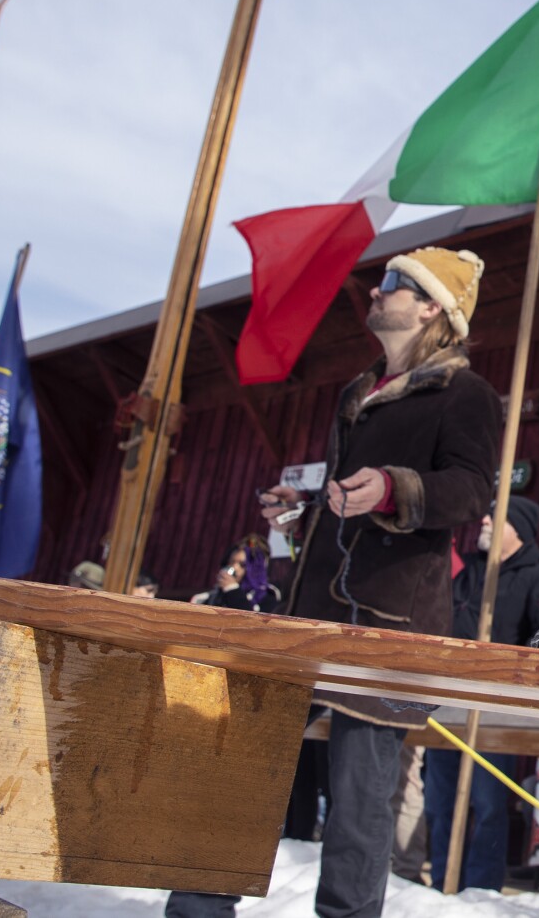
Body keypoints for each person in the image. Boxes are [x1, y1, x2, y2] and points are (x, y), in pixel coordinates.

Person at [166, 247, 501, 918]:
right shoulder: (358, 391)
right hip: (312, 611)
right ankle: (197, 910)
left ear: (431, 306)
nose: (377, 292)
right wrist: (307, 505)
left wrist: (390, 488)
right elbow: (348, 494)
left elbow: (469, 492)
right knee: (243, 768)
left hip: (390, 623)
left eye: (394, 284)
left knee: (358, 801)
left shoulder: (468, 395)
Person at [422, 494, 539, 891]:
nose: (484, 522)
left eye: (495, 517)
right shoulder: (470, 572)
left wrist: (511, 671)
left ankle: (479, 890)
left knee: (488, 805)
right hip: (449, 702)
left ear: (516, 529)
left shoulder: (538, 576)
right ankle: (442, 883)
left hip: (494, 707)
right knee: (440, 803)